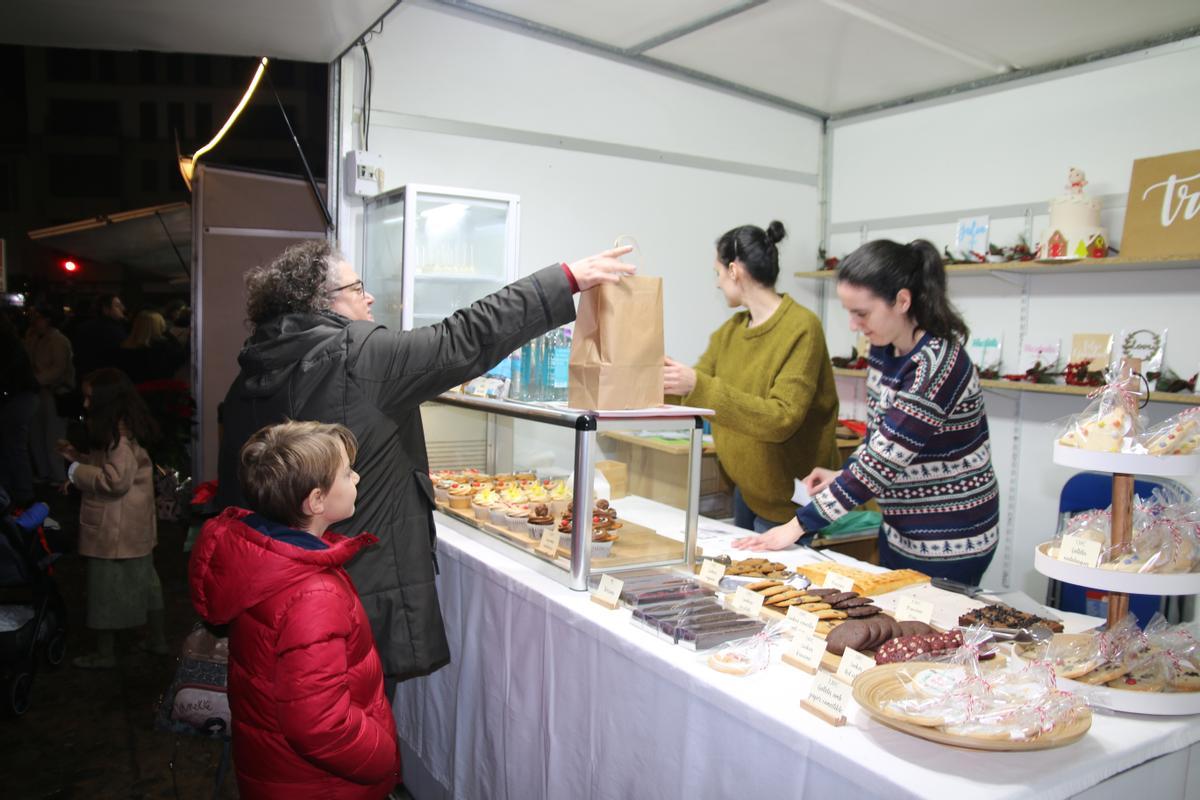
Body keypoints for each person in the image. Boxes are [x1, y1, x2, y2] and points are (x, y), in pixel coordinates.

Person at [215, 239, 636, 682]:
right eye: (357, 288)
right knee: (347, 730)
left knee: (280, 714)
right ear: (323, 302)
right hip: (351, 593)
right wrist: (564, 280)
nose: (370, 297)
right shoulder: (354, 353)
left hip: (270, 593)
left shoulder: (252, 371)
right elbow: (462, 338)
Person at [733, 239, 1000, 584]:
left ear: (902, 301)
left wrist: (796, 526)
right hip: (901, 529)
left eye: (861, 313)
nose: (853, 324)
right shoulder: (884, 351)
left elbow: (884, 461)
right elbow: (880, 438)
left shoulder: (937, 364)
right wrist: (842, 475)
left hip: (952, 537)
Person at [190, 421, 400, 799]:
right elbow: (320, 726)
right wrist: (383, 755)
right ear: (316, 501)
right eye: (346, 472)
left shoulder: (268, 558)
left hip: (278, 769)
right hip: (322, 784)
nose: (357, 476)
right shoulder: (312, 593)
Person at [663, 221, 840, 532]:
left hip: (787, 508)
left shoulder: (801, 328)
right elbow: (693, 390)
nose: (717, 284)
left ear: (734, 271)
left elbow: (781, 419)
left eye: (718, 273)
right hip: (746, 492)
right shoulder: (729, 332)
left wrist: (696, 384)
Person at [57, 368, 166, 668]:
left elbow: (114, 481)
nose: (86, 405)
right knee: (146, 583)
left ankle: (105, 654)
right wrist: (79, 460)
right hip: (132, 527)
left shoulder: (118, 439)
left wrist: (76, 472)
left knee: (104, 591)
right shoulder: (125, 433)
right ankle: (157, 640)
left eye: (91, 398)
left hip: (114, 529)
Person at [24, 304, 75, 484]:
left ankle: (58, 475)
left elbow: (58, 369)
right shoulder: (33, 337)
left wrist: (35, 379)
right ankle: (46, 471)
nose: (34, 320)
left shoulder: (57, 341)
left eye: (38, 317)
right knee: (37, 434)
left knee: (53, 435)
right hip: (40, 389)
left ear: (47, 320)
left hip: (54, 392)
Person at [0, 312, 39, 505]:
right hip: (20, 396)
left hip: (16, 397)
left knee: (14, 446)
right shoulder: (12, 342)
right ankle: (18, 492)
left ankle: (21, 493)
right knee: (12, 446)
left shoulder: (8, 345)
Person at [116, 309, 185, 384]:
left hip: (133, 391)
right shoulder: (161, 347)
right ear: (159, 326)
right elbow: (179, 358)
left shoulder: (124, 346)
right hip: (159, 390)